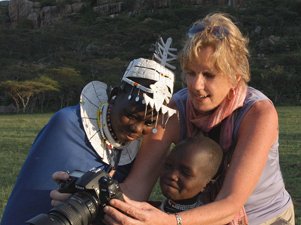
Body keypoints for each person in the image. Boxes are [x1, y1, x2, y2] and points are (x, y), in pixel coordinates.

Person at [101, 13, 295, 225]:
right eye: (191, 73)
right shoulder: (176, 109)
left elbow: (230, 203)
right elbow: (137, 185)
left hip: (263, 218)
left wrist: (169, 222)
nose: (195, 85)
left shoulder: (258, 113)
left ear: (235, 77)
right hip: (196, 214)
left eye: (209, 75)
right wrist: (91, 197)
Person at [0, 37, 177, 225]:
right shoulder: (68, 124)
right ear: (114, 96)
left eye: (149, 123)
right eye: (131, 116)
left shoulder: (136, 150)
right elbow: (33, 198)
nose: (137, 128)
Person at [158, 133, 248, 225]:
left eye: (185, 173)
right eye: (168, 166)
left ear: (207, 185)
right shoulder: (152, 209)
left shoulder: (207, 222)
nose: (172, 175)